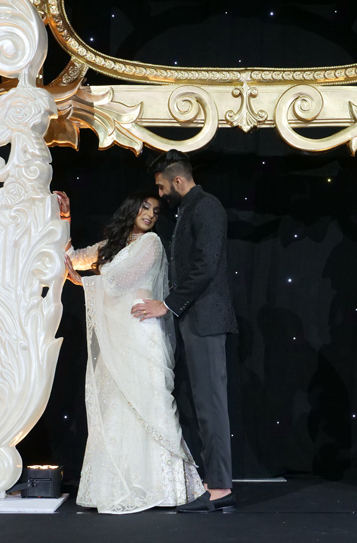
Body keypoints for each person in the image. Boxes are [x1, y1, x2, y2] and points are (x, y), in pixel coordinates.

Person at [59, 189, 204, 514]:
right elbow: (70, 258)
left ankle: (165, 490)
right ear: (131, 208)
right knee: (115, 406)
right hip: (115, 335)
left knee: (151, 403)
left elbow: (119, 280)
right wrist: (65, 220)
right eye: (145, 207)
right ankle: (116, 486)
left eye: (155, 211)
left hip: (140, 332)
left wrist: (83, 282)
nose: (151, 214)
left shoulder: (150, 243)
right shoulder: (109, 248)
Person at [131, 150, 238, 513]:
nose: (160, 195)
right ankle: (216, 481)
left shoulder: (206, 206)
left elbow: (206, 266)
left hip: (206, 319)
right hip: (196, 320)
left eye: (162, 187)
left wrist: (169, 304)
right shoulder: (190, 209)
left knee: (211, 405)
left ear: (178, 181)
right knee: (204, 405)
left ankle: (221, 488)